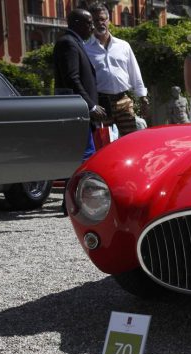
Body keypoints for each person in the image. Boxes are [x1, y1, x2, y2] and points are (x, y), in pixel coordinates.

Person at [53, 8, 106, 215]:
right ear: (76, 22)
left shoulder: (74, 43)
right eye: (89, 23)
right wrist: (91, 105)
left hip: (79, 110)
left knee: (83, 157)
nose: (93, 27)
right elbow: (72, 78)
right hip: (77, 111)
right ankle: (73, 202)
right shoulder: (68, 43)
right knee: (84, 157)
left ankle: (71, 202)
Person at [85, 3, 150, 136]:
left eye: (103, 19)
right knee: (104, 143)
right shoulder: (86, 49)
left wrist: (142, 97)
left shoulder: (123, 46)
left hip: (123, 100)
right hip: (101, 103)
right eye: (96, 20)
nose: (100, 23)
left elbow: (134, 71)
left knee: (131, 139)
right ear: (91, 23)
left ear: (109, 20)